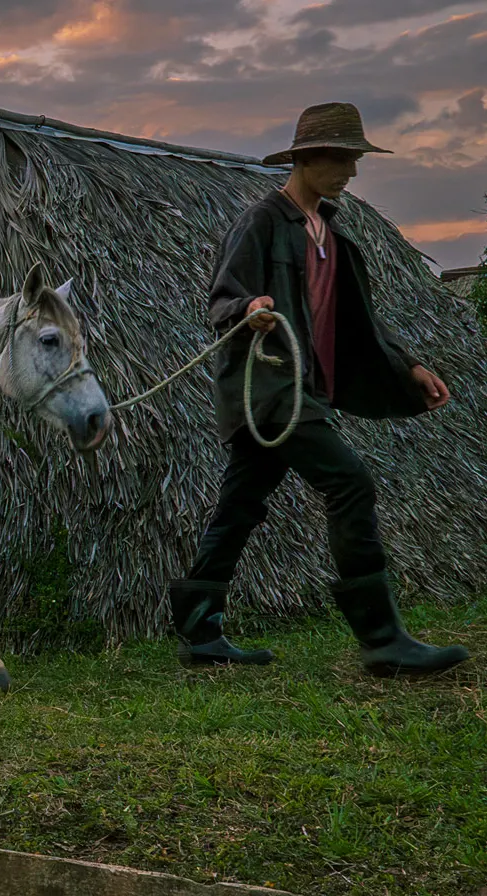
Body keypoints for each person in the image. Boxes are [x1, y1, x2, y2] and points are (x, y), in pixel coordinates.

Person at [169, 102, 471, 676]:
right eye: (341, 158)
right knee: (350, 483)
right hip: (274, 391)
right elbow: (223, 297)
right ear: (306, 158)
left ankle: (200, 630)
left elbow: (357, 322)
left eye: (354, 159)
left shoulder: (330, 233)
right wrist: (250, 307)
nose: (351, 171)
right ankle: (383, 639)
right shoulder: (261, 221)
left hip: (305, 390)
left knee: (240, 505)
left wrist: (408, 365)